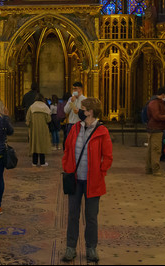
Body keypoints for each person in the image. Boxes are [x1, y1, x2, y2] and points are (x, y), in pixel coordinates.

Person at [61, 97, 113, 264]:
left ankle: (91, 248)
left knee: (91, 216)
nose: (81, 112)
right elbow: (68, 149)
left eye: (83, 109)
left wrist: (100, 172)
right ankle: (70, 247)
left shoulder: (102, 131)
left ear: (90, 111)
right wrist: (67, 168)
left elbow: (108, 156)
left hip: (93, 181)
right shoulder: (75, 128)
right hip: (75, 180)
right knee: (72, 215)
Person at [145, 88, 165, 176]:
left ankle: (149, 168)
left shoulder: (154, 102)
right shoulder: (155, 103)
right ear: (163, 94)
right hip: (156, 128)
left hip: (153, 127)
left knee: (151, 150)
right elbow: (157, 116)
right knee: (156, 150)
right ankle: (155, 170)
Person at [27, 96, 52, 167]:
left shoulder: (31, 107)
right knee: (42, 144)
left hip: (34, 129)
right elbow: (49, 120)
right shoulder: (45, 108)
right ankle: (42, 162)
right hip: (43, 129)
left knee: (34, 144)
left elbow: (28, 119)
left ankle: (34, 162)